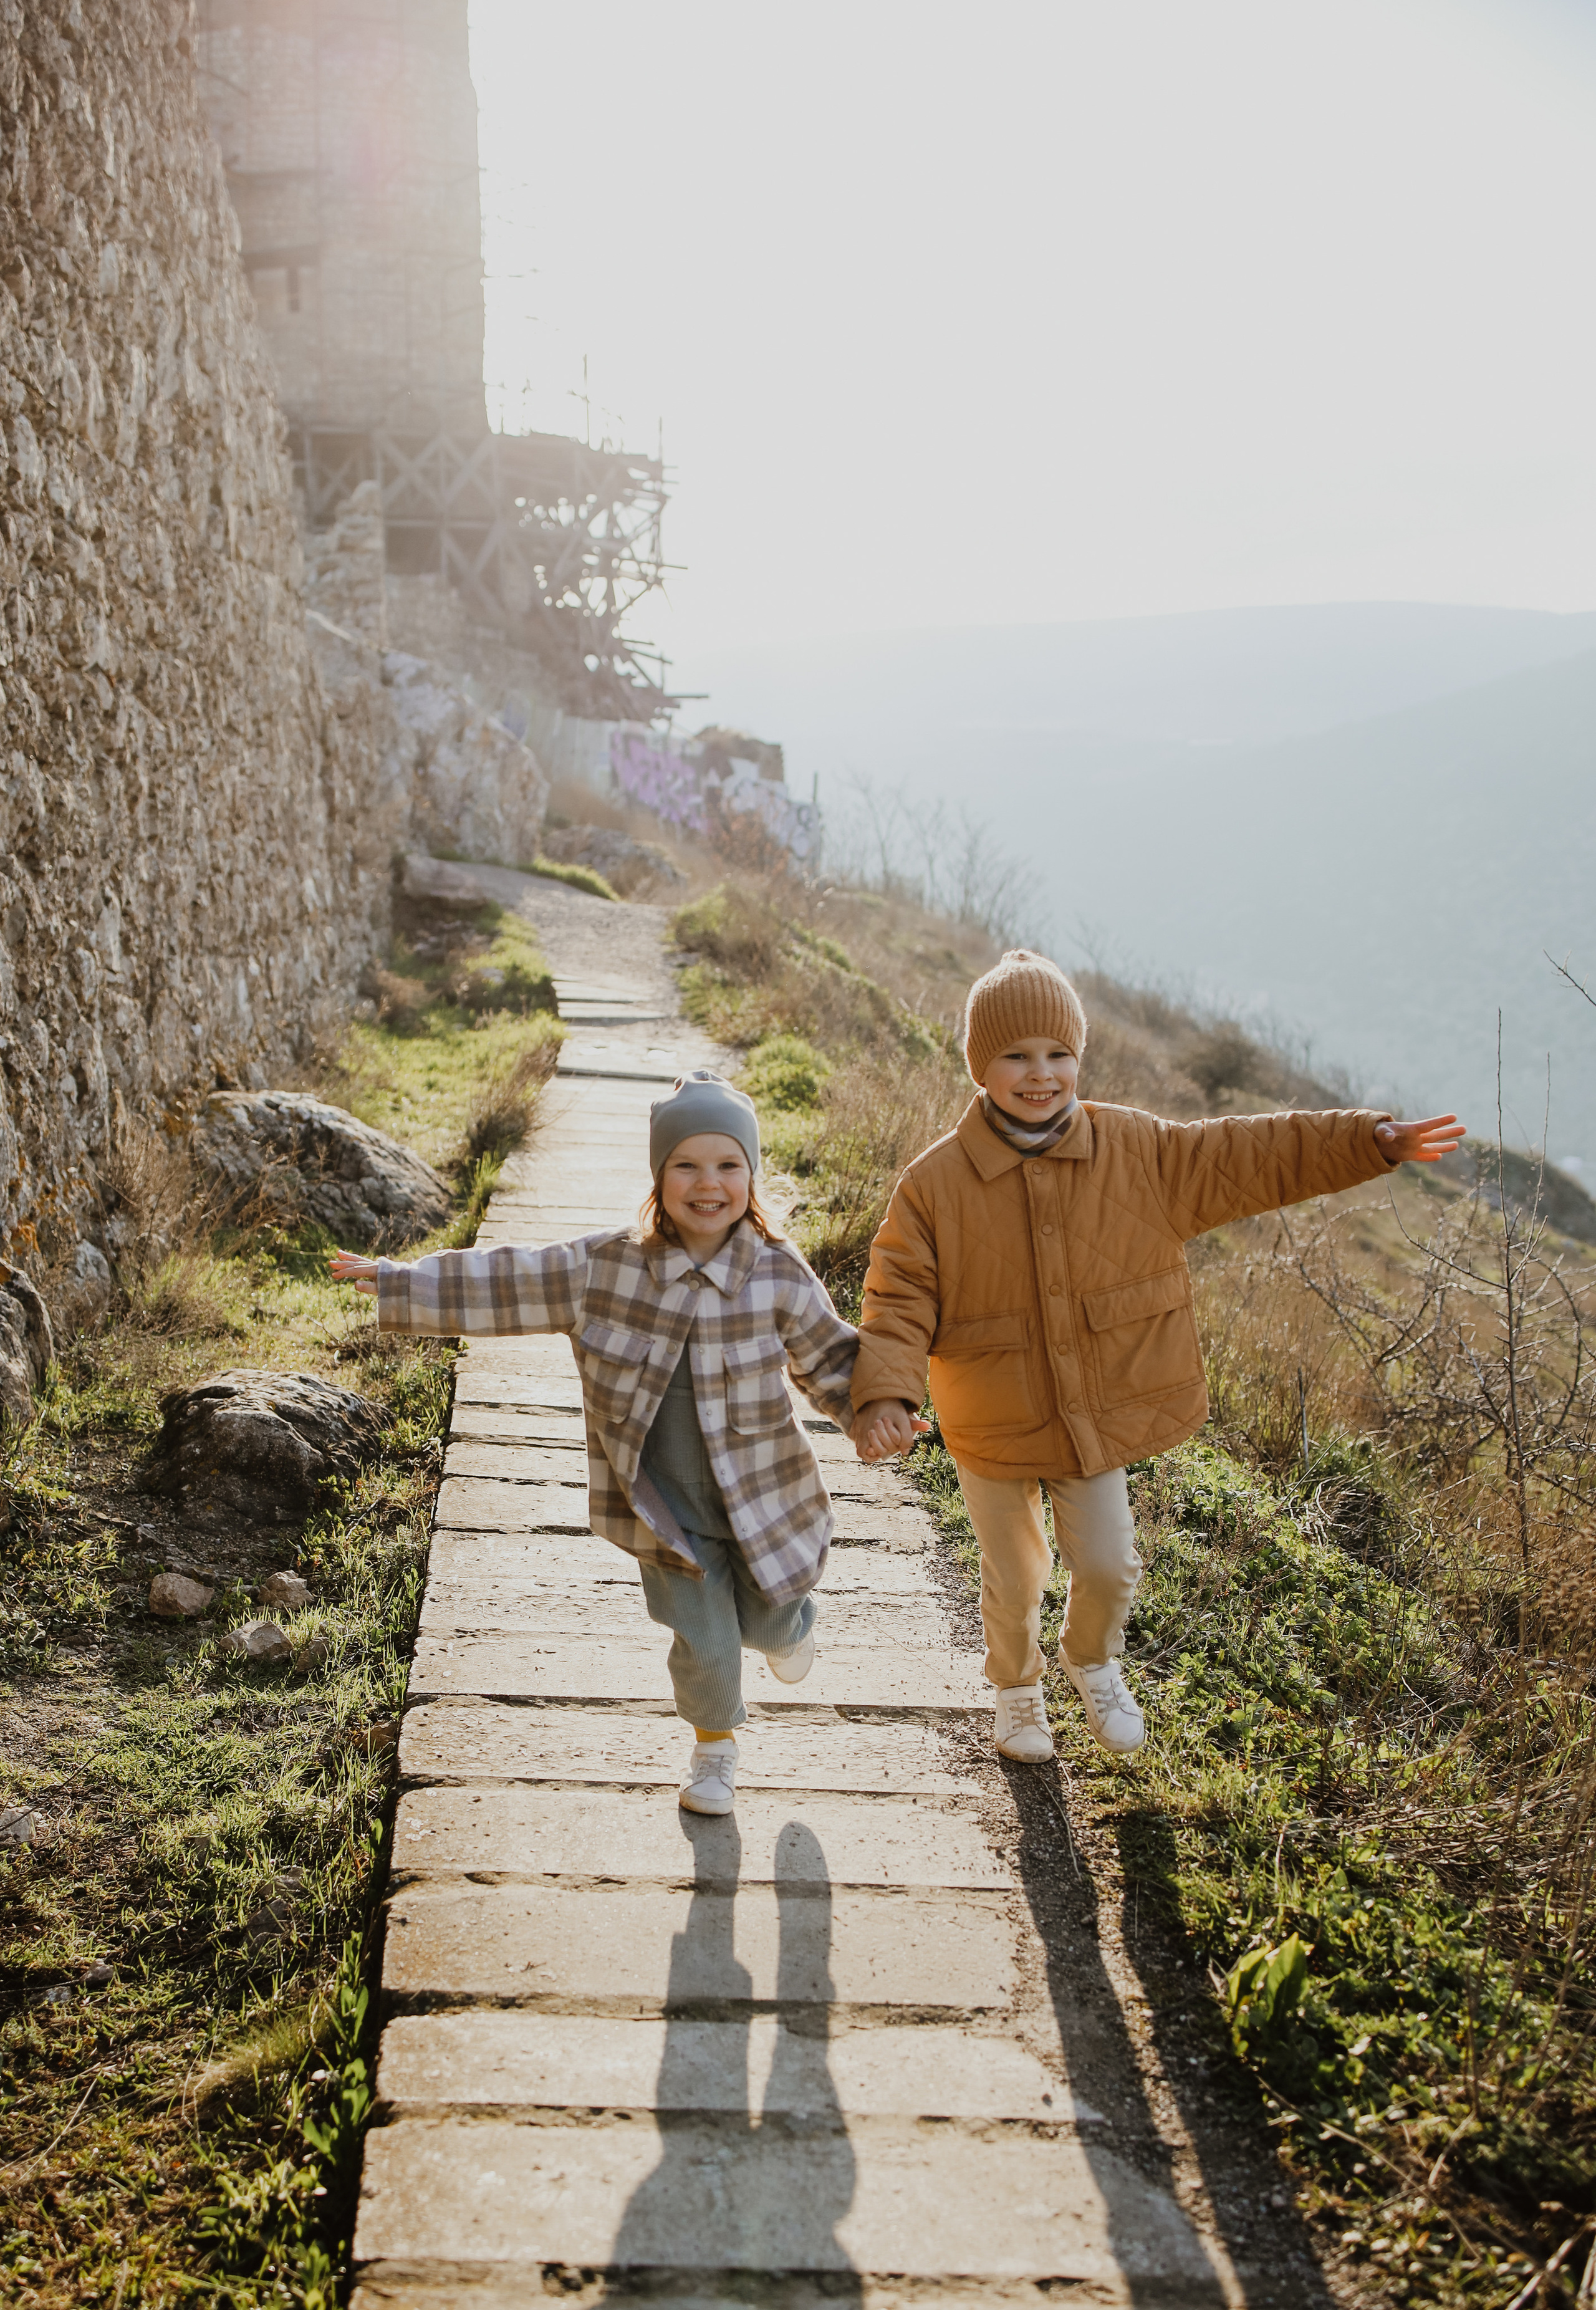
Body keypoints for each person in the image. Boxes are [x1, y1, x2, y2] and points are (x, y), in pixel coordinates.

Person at [849, 950, 1464, 1764]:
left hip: (1093, 1414)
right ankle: (1018, 1690)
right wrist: (886, 1395)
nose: (1042, 1075)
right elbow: (896, 1301)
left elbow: (1250, 1155)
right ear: (980, 1065)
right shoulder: (934, 1185)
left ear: (1079, 1058)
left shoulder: (1136, 1151)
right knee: (1016, 1575)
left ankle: (1090, 1660)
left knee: (1108, 1565)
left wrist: (1365, 1140)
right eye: (1017, 1056)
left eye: (1058, 1054)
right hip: (990, 1417)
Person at [330, 1071, 860, 1817]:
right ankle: (715, 1752)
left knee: (772, 1617)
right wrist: (398, 1281)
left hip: (764, 1497)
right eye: (686, 1165)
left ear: (751, 1175)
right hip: (665, 1509)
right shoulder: (609, 1266)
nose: (707, 1184)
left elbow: (831, 1358)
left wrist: (882, 1411)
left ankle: (790, 1628)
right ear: (658, 1174)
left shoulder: (777, 1273)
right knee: (705, 1644)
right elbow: (504, 1281)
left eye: (727, 1166)